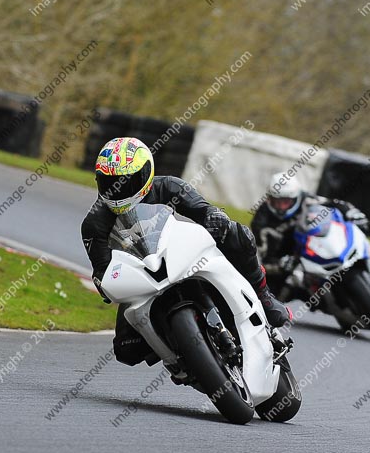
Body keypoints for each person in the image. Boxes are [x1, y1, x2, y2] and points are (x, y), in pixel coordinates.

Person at [81, 137, 291, 367]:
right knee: (126, 349)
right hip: (141, 276)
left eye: (124, 181)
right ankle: (177, 354)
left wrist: (215, 219)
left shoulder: (169, 186)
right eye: (108, 182)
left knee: (236, 234)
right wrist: (104, 281)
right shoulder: (94, 223)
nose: (116, 189)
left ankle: (263, 295)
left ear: (145, 174)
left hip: (179, 254)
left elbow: (204, 211)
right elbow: (102, 269)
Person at [250, 172, 368, 295]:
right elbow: (258, 261)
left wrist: (352, 212)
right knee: (269, 294)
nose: (281, 207)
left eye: (286, 202)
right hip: (287, 263)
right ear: (269, 199)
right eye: (276, 202)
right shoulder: (260, 222)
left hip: (310, 248)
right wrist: (279, 265)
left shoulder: (305, 199)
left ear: (295, 198)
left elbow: (333, 203)